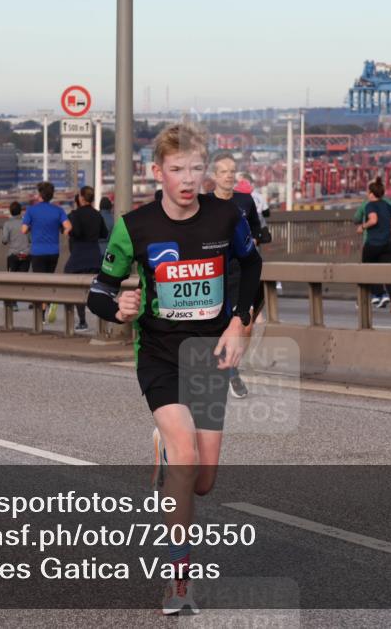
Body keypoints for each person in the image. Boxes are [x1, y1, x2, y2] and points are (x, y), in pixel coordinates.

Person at [86, 123, 261, 615]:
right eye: (177, 169)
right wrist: (116, 310)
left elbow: (252, 267)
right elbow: (100, 289)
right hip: (160, 355)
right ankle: (178, 581)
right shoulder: (134, 226)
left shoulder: (227, 216)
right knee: (185, 456)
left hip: (210, 357)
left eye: (197, 168)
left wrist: (238, 321)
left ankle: (169, 453)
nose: (188, 179)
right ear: (157, 171)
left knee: (202, 480)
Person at [208, 151, 261, 400]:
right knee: (221, 325)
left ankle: (231, 364)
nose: (228, 176)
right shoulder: (203, 204)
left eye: (232, 171)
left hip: (240, 272)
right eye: (223, 172)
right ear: (214, 176)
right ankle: (232, 373)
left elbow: (256, 231)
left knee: (245, 324)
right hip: (214, 275)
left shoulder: (246, 201)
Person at [22, 181, 71, 322]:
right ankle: (50, 301)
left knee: (39, 283)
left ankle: (42, 315)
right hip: (53, 251)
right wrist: (62, 231)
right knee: (49, 279)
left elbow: (23, 230)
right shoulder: (58, 210)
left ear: (40, 195)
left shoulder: (32, 210)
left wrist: (33, 227)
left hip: (38, 252)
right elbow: (68, 227)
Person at [64, 186, 108, 332]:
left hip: (78, 256)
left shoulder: (74, 215)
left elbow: (76, 232)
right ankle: (102, 323)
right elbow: (104, 233)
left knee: (77, 289)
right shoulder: (97, 214)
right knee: (97, 290)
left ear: (81, 198)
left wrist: (69, 231)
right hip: (95, 256)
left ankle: (82, 321)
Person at [359, 178, 391, 313]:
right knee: (386, 271)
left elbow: (373, 220)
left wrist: (363, 226)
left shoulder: (370, 205)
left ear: (372, 193)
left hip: (373, 244)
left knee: (368, 270)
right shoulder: (388, 206)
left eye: (368, 192)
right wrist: (385, 225)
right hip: (387, 245)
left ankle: (380, 294)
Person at [1, 201, 30, 311]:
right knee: (23, 279)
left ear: (10, 211)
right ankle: (34, 300)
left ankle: (13, 303)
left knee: (12, 280)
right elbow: (31, 239)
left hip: (13, 254)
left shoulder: (7, 224)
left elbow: (4, 240)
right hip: (26, 254)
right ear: (21, 211)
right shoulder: (26, 223)